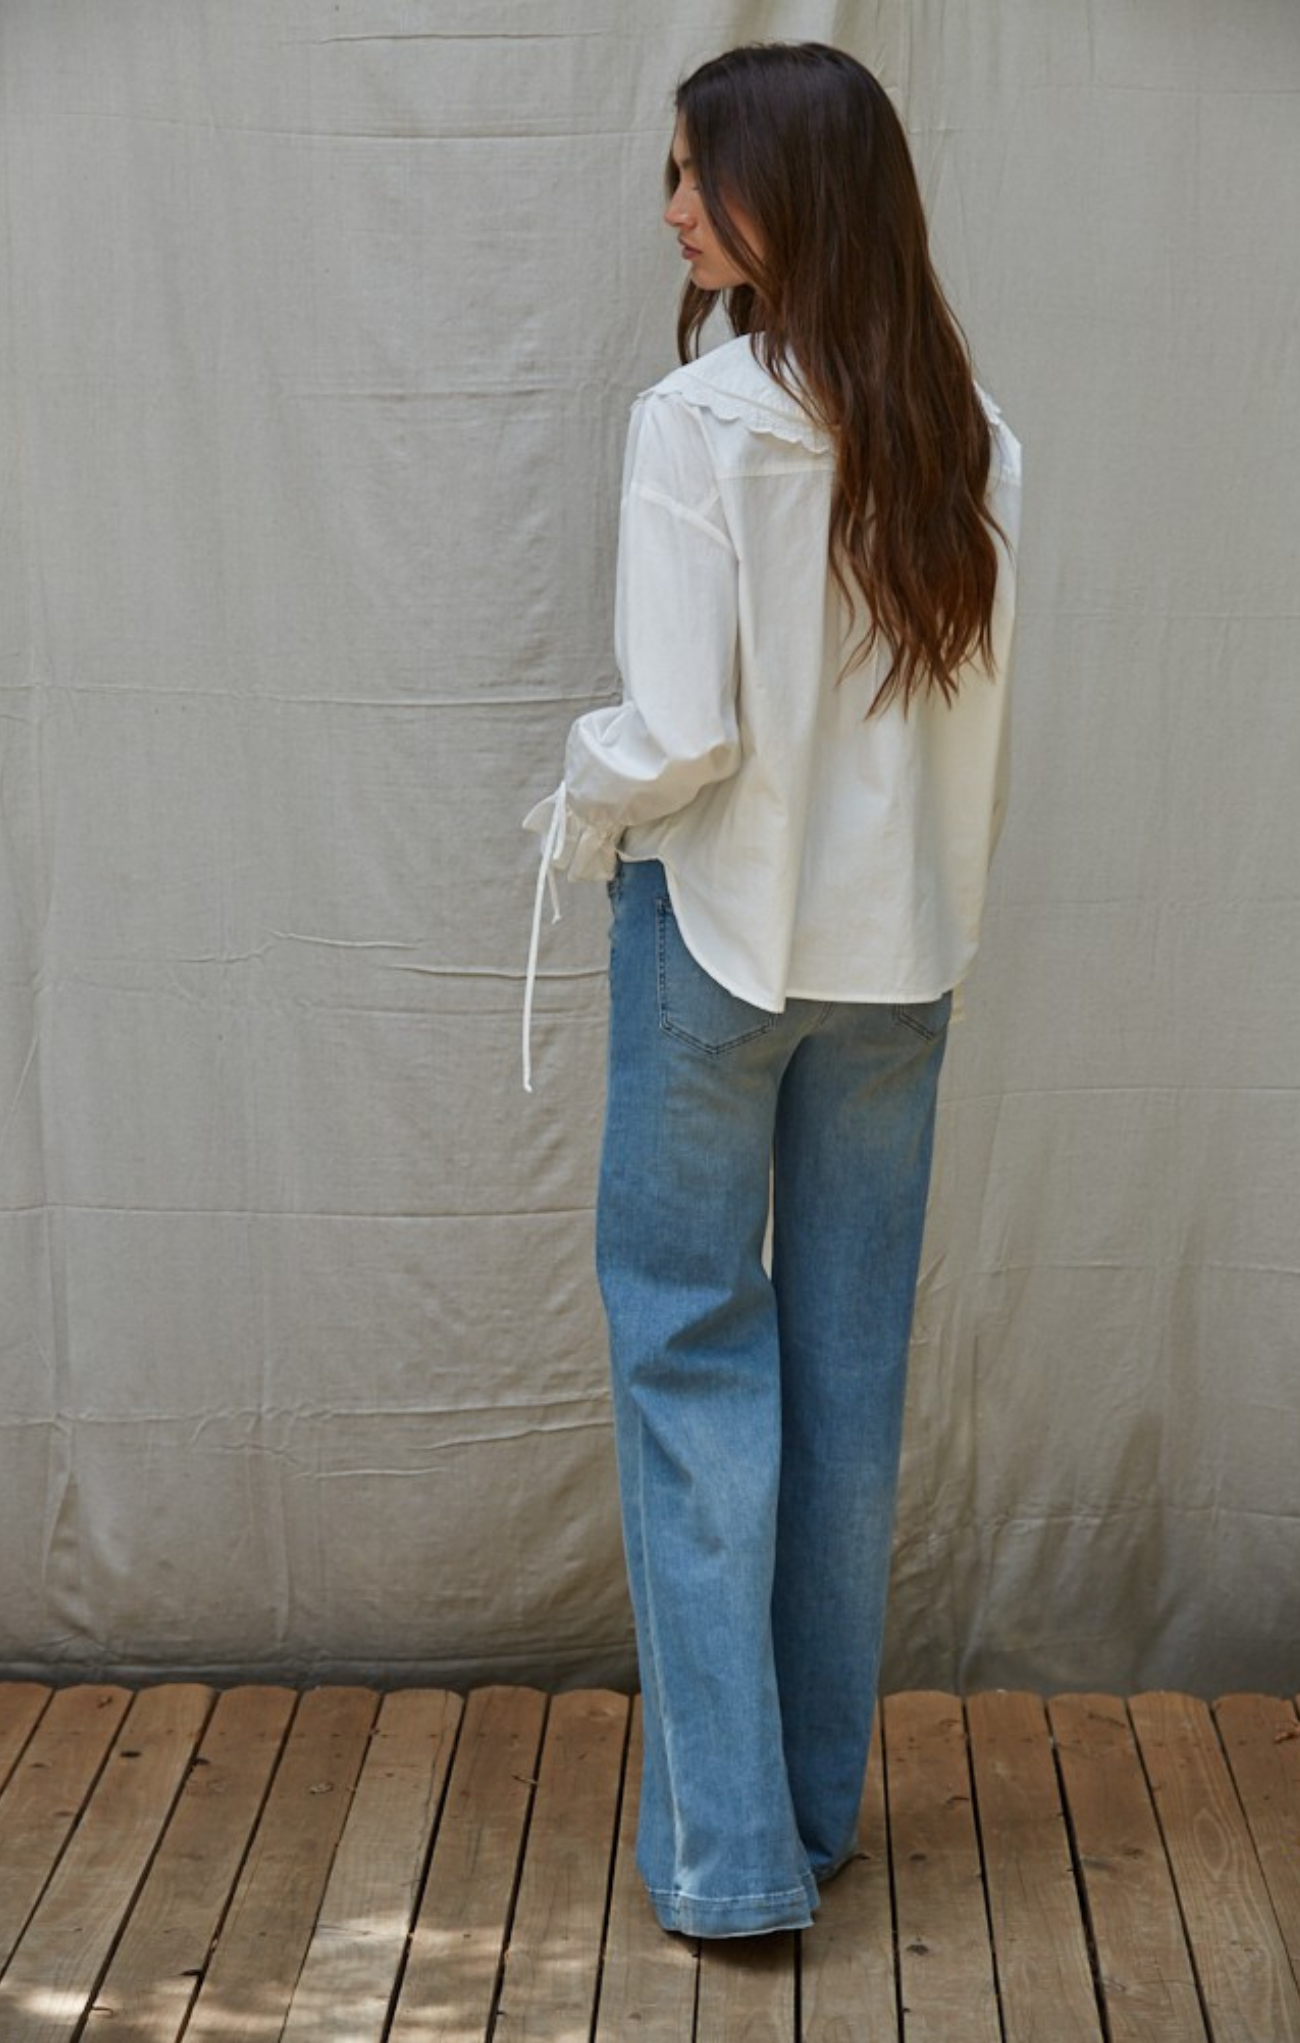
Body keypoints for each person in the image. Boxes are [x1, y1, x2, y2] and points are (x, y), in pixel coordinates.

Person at [522, 40, 1021, 1939]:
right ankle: (804, 1820)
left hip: (719, 933)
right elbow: (974, 737)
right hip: (902, 960)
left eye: (693, 174)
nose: (668, 209)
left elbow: (677, 735)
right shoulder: (973, 436)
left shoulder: (702, 419)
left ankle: (733, 1860)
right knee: (847, 1374)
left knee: (688, 1356)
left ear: (786, 193)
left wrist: (574, 802)